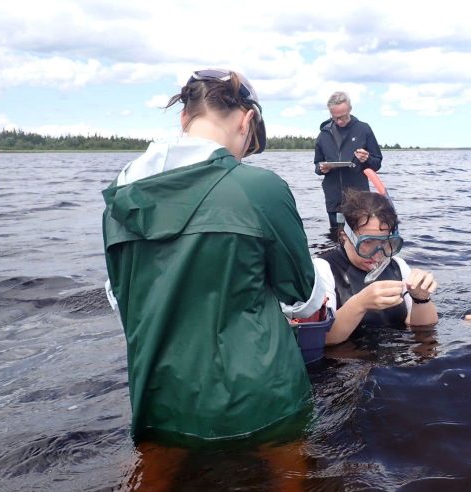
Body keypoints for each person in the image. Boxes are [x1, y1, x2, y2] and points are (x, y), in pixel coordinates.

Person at [102, 69, 318, 444]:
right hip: (262, 398)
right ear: (247, 119)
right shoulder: (258, 188)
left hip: (160, 401)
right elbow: (300, 291)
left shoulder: (117, 203)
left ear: (185, 117)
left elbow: (122, 298)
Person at [313, 189, 438, 345]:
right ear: (345, 235)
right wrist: (360, 304)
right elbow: (323, 339)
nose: (377, 254)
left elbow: (424, 331)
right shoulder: (323, 269)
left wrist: (421, 299)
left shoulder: (397, 266)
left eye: (385, 243)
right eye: (367, 242)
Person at [313, 91, 383, 229]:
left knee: (359, 237)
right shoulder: (323, 134)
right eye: (335, 117)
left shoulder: (364, 129)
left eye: (343, 117)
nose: (340, 121)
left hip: (359, 199)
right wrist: (321, 168)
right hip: (334, 199)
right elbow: (317, 165)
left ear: (350, 109)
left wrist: (367, 158)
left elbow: (377, 163)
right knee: (336, 237)